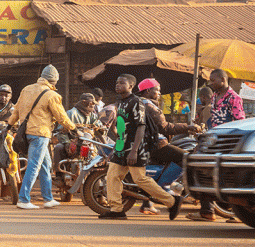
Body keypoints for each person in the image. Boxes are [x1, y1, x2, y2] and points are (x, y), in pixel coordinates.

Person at [98, 74, 184, 221]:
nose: (117, 85)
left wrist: (134, 151)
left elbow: (140, 127)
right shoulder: (121, 103)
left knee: (140, 179)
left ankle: (172, 201)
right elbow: (121, 127)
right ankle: (117, 209)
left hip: (135, 147)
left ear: (131, 86)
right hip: (121, 146)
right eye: (117, 82)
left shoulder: (136, 102)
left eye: (122, 83)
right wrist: (115, 147)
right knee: (112, 176)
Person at [7, 65, 75, 210]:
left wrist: (9, 125)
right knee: (34, 166)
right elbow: (61, 116)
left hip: (27, 132)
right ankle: (23, 199)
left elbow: (16, 110)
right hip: (41, 134)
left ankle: (48, 199)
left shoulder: (27, 89)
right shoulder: (52, 95)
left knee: (45, 165)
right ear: (54, 81)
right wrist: (73, 128)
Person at [135, 78, 200, 215]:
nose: (159, 93)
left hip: (144, 144)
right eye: (157, 90)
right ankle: (162, 188)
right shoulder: (150, 106)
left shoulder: (138, 103)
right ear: (148, 91)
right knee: (185, 157)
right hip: (156, 145)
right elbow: (165, 127)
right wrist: (188, 127)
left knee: (156, 173)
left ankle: (147, 204)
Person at [188, 69, 245, 222]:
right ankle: (207, 210)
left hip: (229, 142)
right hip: (214, 140)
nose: (211, 83)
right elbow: (213, 120)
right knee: (205, 172)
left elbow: (240, 121)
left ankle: (237, 213)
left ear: (222, 79)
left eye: (213, 80)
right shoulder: (214, 97)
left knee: (229, 176)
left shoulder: (234, 98)